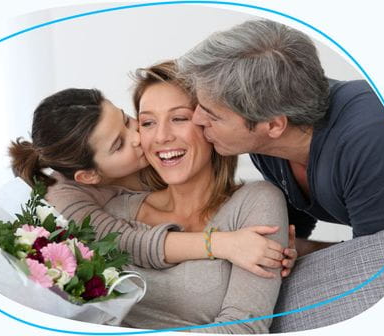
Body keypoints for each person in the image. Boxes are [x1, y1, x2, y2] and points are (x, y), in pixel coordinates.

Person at [177, 19, 384, 256]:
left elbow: (382, 261)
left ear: (274, 125)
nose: (196, 119)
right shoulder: (268, 141)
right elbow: (291, 233)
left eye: (212, 116)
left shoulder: (372, 140)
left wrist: (304, 250)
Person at [9, 87, 295, 277]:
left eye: (127, 120)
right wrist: (221, 245)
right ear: (90, 176)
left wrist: (277, 250)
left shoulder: (165, 159)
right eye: (119, 144)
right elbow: (125, 243)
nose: (139, 137)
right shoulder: (63, 201)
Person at [100, 61, 288, 333]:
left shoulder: (255, 203)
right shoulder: (115, 211)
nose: (162, 137)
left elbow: (243, 329)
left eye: (179, 118)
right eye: (148, 123)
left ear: (209, 124)